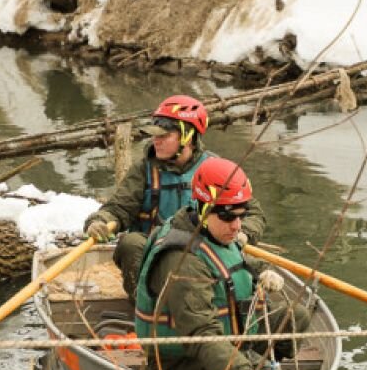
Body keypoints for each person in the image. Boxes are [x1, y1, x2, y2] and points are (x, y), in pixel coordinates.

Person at [133, 157, 308, 370]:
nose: (237, 225)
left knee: (297, 316)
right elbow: (202, 335)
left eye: (242, 215)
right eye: (227, 216)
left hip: (232, 336)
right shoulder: (181, 262)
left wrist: (263, 271)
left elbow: (229, 265)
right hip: (182, 363)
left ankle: (260, 369)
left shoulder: (213, 231)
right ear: (202, 207)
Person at [83, 95, 266, 295]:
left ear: (187, 137)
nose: (156, 141)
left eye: (164, 136)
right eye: (155, 135)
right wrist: (100, 221)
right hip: (155, 254)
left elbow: (251, 213)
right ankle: (145, 306)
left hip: (204, 250)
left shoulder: (217, 169)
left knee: (254, 270)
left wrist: (243, 233)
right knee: (131, 243)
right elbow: (118, 208)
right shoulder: (144, 168)